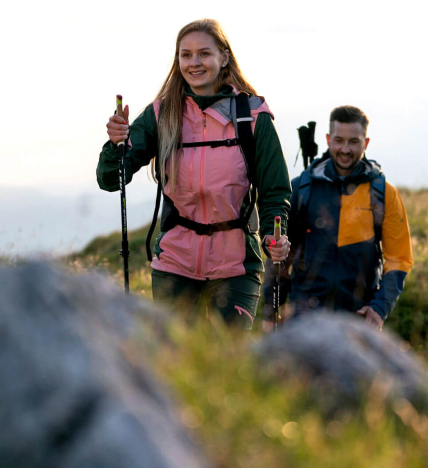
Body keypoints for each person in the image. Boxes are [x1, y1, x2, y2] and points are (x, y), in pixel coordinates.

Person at [97, 19, 291, 331]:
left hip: (236, 265)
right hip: (175, 262)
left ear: (223, 58)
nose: (194, 62)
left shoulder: (253, 116)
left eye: (203, 53)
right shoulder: (162, 114)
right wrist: (115, 144)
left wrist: (272, 235)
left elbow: (275, 191)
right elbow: (111, 180)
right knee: (173, 360)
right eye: (185, 55)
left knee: (228, 360)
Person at [263, 106, 413, 331]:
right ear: (328, 139)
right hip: (303, 317)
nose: (345, 149)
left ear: (366, 142)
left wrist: (379, 309)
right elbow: (279, 259)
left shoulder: (384, 193)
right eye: (339, 140)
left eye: (354, 141)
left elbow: (399, 259)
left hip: (357, 319)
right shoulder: (301, 189)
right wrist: (271, 312)